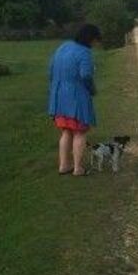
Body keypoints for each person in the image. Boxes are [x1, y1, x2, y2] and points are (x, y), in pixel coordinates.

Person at [48, 24, 101, 175]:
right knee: (79, 132)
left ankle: (63, 166)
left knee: (65, 132)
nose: (95, 44)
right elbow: (86, 75)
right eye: (95, 40)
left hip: (59, 98)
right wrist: (92, 90)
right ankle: (78, 168)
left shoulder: (63, 46)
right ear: (91, 39)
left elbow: (51, 69)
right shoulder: (85, 52)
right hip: (76, 98)